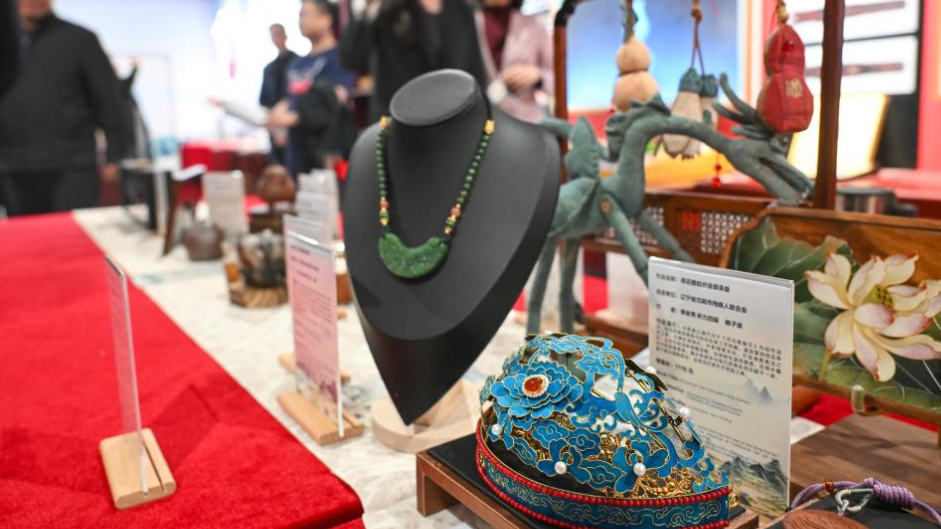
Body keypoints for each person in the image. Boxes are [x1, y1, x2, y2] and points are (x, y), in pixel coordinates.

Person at [0, 0, 124, 217]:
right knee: (26, 236)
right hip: (13, 167)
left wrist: (114, 155)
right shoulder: (5, 44)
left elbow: (109, 101)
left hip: (71, 168)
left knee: (71, 235)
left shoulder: (80, 39)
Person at [340, 0, 486, 120]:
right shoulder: (388, 8)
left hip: (452, 119)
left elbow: (475, 70)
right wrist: (366, 7)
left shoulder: (461, 9)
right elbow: (352, 59)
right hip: (399, 121)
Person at [267, 0, 355, 176]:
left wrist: (294, 118)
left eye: (305, 15)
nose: (301, 21)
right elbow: (288, 98)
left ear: (326, 19)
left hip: (326, 151)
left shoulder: (340, 57)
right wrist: (274, 116)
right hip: (296, 154)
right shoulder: (295, 63)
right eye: (300, 16)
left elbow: (337, 96)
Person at [474, 0, 552, 122]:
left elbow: (559, 78)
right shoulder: (467, 23)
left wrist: (538, 76)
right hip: (481, 121)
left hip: (525, 120)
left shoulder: (533, 24)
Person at [259, 23, 297, 164]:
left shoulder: (298, 63)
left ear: (285, 35)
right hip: (275, 126)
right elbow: (264, 101)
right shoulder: (269, 69)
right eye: (274, 36)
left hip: (295, 125)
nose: (277, 39)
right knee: (278, 164)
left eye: (279, 34)